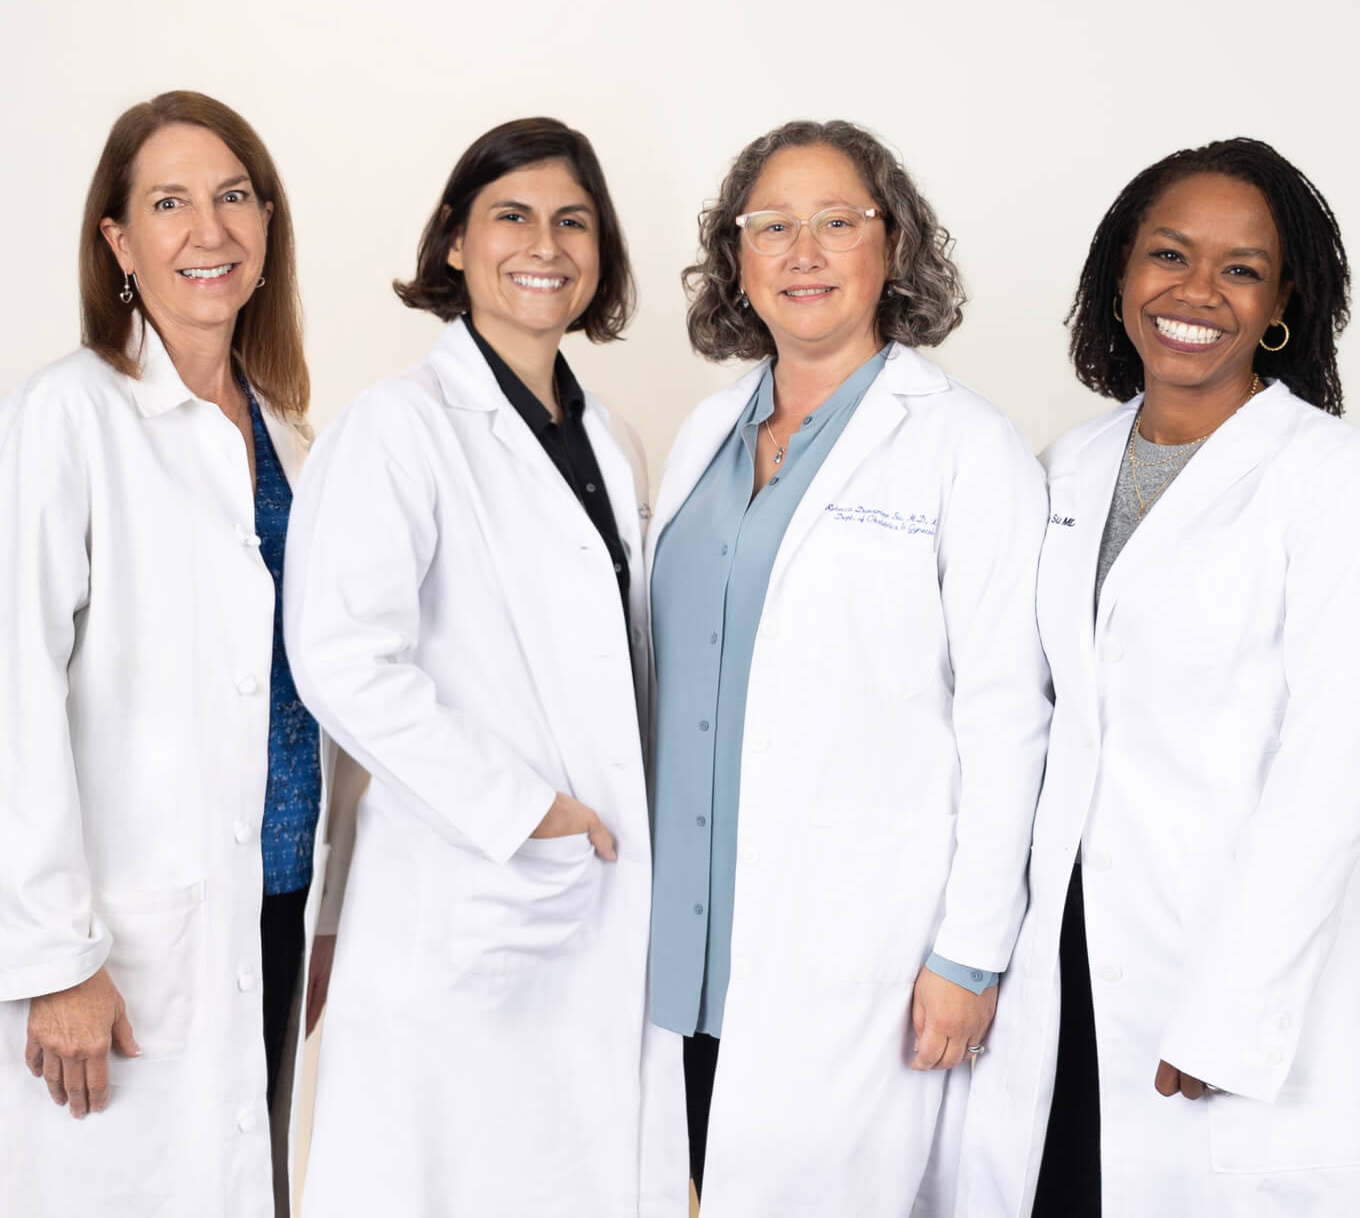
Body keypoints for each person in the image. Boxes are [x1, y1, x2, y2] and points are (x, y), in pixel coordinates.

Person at [283, 117, 687, 1218]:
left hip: (588, 900)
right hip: (471, 893)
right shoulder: (398, 426)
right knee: (447, 1175)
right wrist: (526, 812)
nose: (542, 243)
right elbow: (341, 660)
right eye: (510, 215)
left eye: (572, 220)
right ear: (455, 243)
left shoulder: (609, 434)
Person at [646, 119, 1052, 1216]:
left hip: (856, 951)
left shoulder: (965, 444)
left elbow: (1009, 714)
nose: (803, 251)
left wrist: (970, 952)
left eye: (838, 222)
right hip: (680, 950)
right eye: (770, 226)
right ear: (737, 260)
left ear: (894, 245)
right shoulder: (702, 433)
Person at [957, 138, 1359, 1218]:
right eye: (1168, 255)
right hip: (1060, 956)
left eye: (1240, 268)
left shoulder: (1327, 480)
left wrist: (1233, 1011)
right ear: (1119, 275)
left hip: (1221, 964)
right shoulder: (1066, 464)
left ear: (1282, 302)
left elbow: (1331, 768)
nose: (1196, 292)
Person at [0, 90, 361, 1218]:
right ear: (118, 242)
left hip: (273, 900)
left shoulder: (295, 436)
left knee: (247, 1187)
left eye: (234, 195)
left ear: (268, 225)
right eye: (169, 202)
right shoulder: (71, 414)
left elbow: (326, 690)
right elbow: (13, 686)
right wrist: (53, 953)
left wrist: (330, 915)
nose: (210, 230)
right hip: (126, 933)